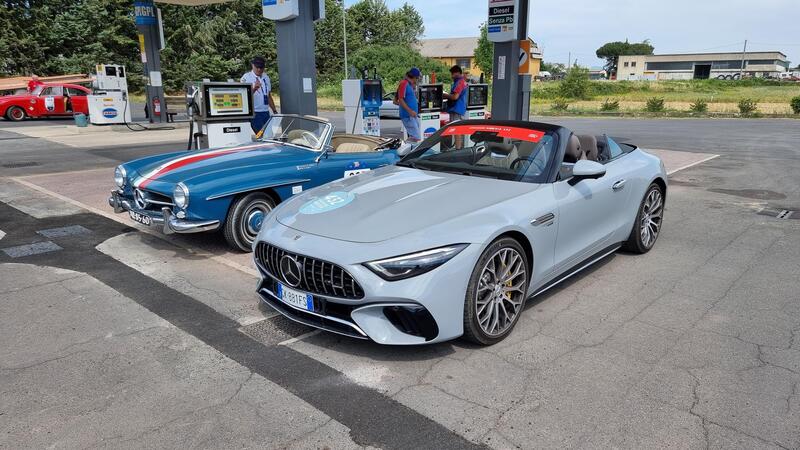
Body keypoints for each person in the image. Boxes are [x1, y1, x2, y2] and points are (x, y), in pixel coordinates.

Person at [241, 57, 278, 134]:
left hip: (265, 112)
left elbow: (268, 95)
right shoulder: (246, 77)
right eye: (257, 67)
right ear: (252, 65)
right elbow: (244, 96)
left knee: (269, 135)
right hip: (255, 113)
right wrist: (254, 88)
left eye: (261, 67)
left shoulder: (266, 77)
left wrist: (274, 110)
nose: (259, 69)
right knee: (261, 135)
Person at [443, 65, 468, 148]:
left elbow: (455, 97)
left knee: (457, 130)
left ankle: (458, 149)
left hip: (457, 108)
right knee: (457, 129)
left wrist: (445, 95)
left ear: (457, 73)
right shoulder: (460, 81)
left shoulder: (460, 82)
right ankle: (458, 147)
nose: (452, 76)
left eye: (453, 74)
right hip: (457, 108)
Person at [397, 67, 421, 143]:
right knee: (416, 137)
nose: (417, 80)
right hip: (408, 115)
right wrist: (410, 111)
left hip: (412, 115)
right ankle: (406, 148)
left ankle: (406, 147)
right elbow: (400, 99)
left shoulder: (408, 85)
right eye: (417, 78)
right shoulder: (404, 83)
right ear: (414, 77)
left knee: (414, 136)